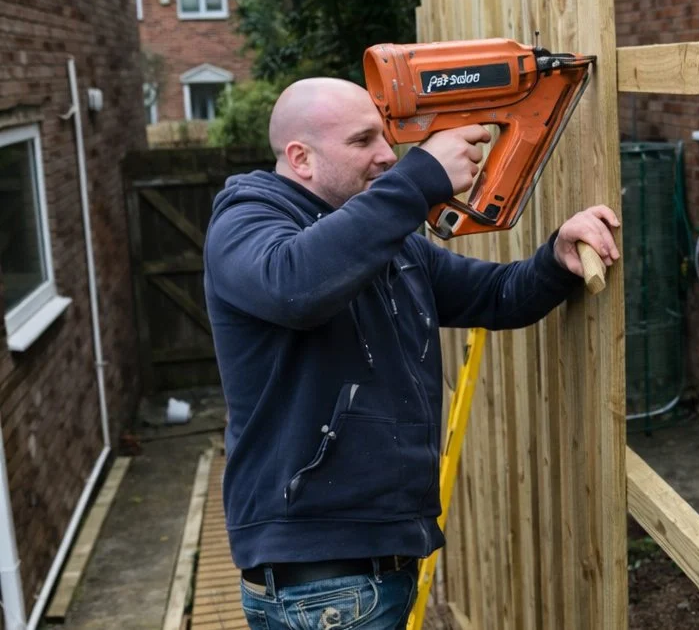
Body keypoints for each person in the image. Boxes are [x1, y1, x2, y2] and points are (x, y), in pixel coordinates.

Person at [203, 77, 620, 630]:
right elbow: (295, 286)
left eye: (386, 137)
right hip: (321, 581)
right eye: (362, 141)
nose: (385, 155)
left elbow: (496, 296)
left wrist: (555, 259)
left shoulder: (385, 239)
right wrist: (419, 174)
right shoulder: (245, 223)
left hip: (372, 572)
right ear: (300, 158)